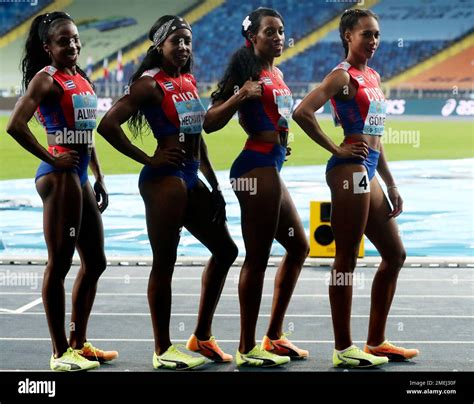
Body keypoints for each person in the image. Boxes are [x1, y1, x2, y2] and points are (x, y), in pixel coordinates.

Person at [97, 15, 238, 370]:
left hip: (191, 177)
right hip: (164, 181)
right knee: (165, 263)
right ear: (160, 45)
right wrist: (147, 157)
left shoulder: (187, 80)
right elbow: (108, 124)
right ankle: (162, 349)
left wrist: (215, 183)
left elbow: (197, 137)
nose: (184, 47)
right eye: (177, 41)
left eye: (188, 41)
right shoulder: (149, 85)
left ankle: (201, 336)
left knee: (226, 250)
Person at [293, 8, 419, 368]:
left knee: (395, 255)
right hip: (349, 170)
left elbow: (376, 138)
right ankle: (344, 347)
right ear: (348, 36)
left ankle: (376, 342)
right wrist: (336, 148)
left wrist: (391, 183)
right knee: (346, 258)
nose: (374, 41)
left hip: (369, 170)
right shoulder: (341, 76)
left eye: (377, 34)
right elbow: (303, 111)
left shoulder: (374, 76)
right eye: (367, 34)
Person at [6, 12, 118, 371]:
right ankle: (59, 353)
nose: (72, 45)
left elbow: (88, 131)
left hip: (80, 176)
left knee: (96, 262)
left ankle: (79, 343)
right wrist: (51, 156)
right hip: (59, 176)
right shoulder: (46, 79)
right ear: (47, 47)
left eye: (75, 39)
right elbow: (15, 125)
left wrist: (99, 175)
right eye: (63, 41)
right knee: (60, 264)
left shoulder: (80, 79)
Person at [204, 7, 310, 367]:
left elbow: (276, 115)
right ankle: (248, 347)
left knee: (299, 247)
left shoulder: (276, 72)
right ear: (253, 38)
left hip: (271, 165)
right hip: (254, 168)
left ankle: (274, 336)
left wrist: (283, 137)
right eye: (270, 32)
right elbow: (209, 122)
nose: (278, 37)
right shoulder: (245, 71)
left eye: (281, 31)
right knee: (258, 258)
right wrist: (240, 96)